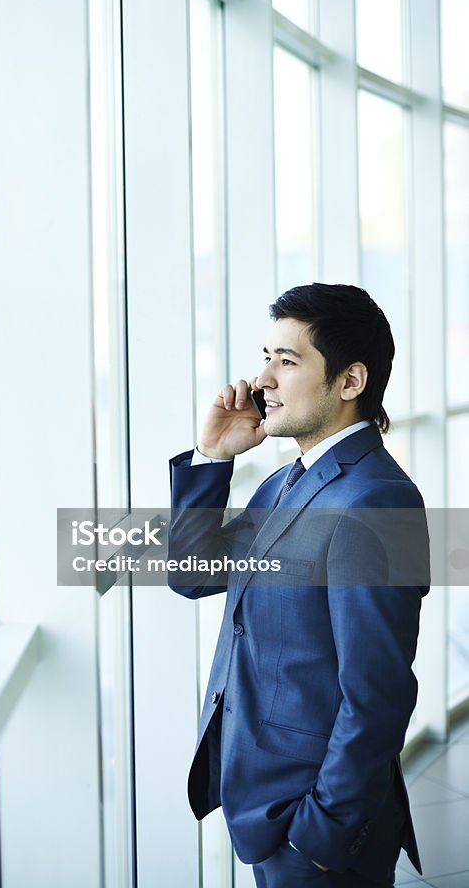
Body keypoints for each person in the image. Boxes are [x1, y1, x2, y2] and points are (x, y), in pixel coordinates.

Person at [168, 283, 430, 887]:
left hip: (315, 826)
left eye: (287, 361)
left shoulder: (375, 500)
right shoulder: (289, 482)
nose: (262, 379)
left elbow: (377, 695)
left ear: (350, 381)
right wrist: (211, 457)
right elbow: (189, 573)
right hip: (268, 801)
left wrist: (319, 835)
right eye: (267, 357)